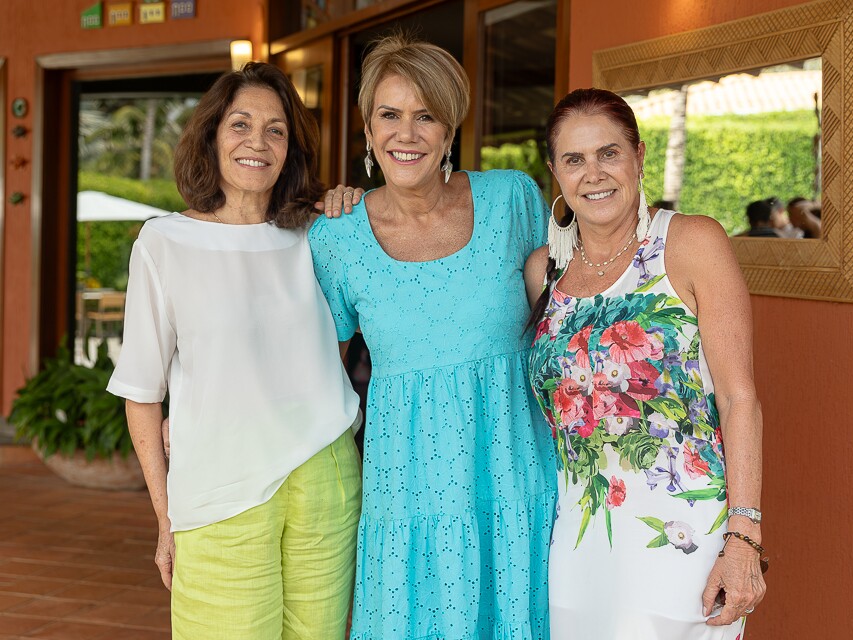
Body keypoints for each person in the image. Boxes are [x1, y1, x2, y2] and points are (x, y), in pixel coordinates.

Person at [308, 35, 557, 639]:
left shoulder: (511, 199)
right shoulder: (335, 238)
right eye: (389, 115)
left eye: (426, 117)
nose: (406, 133)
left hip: (514, 473)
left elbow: (569, 313)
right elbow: (319, 373)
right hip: (408, 487)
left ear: (450, 131)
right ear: (367, 131)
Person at [107, 62, 362, 640]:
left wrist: (349, 201)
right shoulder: (165, 243)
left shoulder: (320, 233)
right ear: (212, 136)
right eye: (240, 124)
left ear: (291, 148)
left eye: (276, 129)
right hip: (221, 488)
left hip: (326, 477)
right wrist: (164, 517)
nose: (257, 141)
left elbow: (339, 336)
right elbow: (141, 393)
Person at [525, 88, 766, 639]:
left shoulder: (690, 243)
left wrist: (744, 537)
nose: (594, 174)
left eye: (609, 153)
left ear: (638, 156)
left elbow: (739, 398)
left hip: (681, 538)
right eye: (574, 160)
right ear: (555, 174)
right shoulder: (544, 270)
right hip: (576, 540)